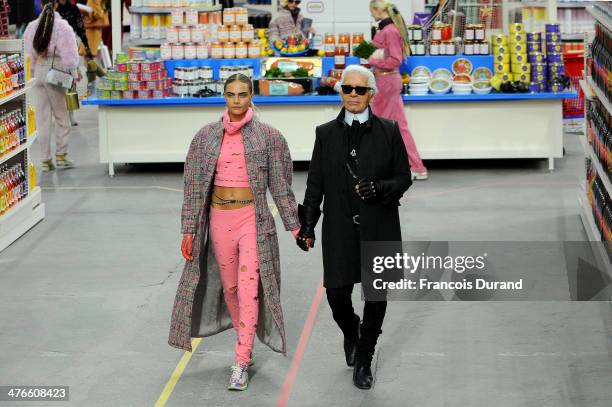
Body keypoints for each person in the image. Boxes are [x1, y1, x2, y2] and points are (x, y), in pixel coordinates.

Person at [168, 74, 301, 391]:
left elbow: (281, 187)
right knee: (229, 290)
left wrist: (295, 226)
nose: (237, 100)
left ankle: (241, 359)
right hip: (218, 221)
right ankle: (246, 339)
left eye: (243, 94)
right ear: (224, 96)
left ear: (252, 95)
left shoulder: (269, 138)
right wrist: (188, 230)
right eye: (231, 94)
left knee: (248, 289)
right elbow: (193, 188)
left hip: (251, 221)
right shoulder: (205, 138)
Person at [297, 65, 412, 390]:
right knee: (336, 295)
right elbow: (316, 181)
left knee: (376, 296)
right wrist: (307, 224)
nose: (353, 95)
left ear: (371, 94)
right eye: (348, 89)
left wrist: (380, 188)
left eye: (360, 90)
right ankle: (352, 330)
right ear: (341, 92)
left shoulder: (389, 130)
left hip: (380, 224)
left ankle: (364, 357)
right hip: (339, 226)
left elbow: (404, 177)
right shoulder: (325, 133)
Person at [369, 0, 428, 181]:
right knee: (397, 127)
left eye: (372, 11)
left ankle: (406, 167)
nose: (371, 15)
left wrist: (373, 60)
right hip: (386, 80)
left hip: (386, 81)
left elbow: (395, 59)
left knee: (383, 127)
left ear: (379, 11)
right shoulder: (388, 29)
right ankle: (415, 167)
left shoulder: (390, 31)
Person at [24, 0, 79, 171]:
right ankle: (62, 155)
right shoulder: (63, 27)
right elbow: (70, 56)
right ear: (56, 5)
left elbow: (28, 53)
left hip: (39, 72)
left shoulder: (31, 26)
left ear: (41, 5)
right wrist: (74, 75)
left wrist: (34, 70)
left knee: (42, 118)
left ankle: (45, 160)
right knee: (62, 116)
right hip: (57, 72)